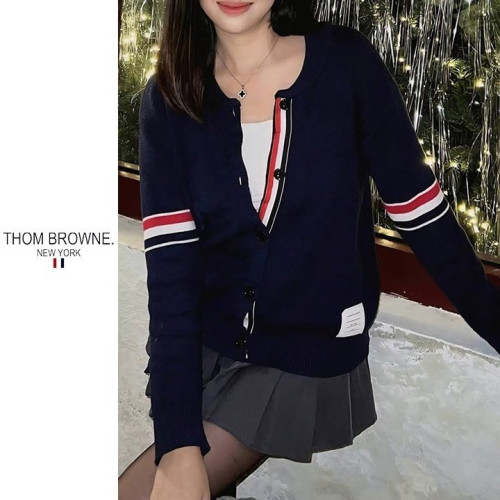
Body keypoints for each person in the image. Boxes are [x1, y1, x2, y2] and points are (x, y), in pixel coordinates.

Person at [118, 1, 500, 499]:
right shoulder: (170, 99)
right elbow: (171, 273)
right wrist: (177, 440)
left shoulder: (345, 66)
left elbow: (423, 217)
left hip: (303, 356)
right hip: (203, 347)